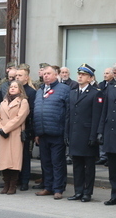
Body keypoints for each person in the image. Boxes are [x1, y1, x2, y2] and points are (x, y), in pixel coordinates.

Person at [65, 64, 103, 202]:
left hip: (87, 135)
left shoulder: (95, 93)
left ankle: (87, 192)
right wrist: (67, 134)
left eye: (84, 75)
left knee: (88, 168)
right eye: (79, 74)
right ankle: (78, 191)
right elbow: (69, 116)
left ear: (90, 78)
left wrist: (94, 136)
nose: (80, 77)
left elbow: (96, 117)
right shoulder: (73, 92)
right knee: (77, 167)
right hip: (75, 135)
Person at [34, 66, 70, 200]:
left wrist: (66, 132)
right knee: (46, 162)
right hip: (43, 133)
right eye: (44, 74)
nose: (46, 76)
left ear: (56, 75)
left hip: (57, 132)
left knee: (57, 162)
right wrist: (37, 132)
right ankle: (48, 187)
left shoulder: (64, 89)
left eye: (48, 73)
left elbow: (68, 112)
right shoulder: (40, 90)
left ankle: (58, 188)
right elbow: (36, 111)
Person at [0, 81, 29, 195]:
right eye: (11, 87)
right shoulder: (3, 102)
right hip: (3, 135)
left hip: (14, 134)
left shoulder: (23, 102)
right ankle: (6, 184)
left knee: (14, 160)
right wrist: (0, 128)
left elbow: (20, 118)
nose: (13, 88)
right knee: (4, 160)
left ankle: (13, 185)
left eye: (15, 87)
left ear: (20, 89)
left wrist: (5, 129)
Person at [15, 66, 36, 191]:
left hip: (25, 128)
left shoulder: (31, 92)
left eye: (20, 75)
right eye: (16, 75)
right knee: (14, 155)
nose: (17, 77)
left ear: (26, 78)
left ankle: (24, 181)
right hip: (12, 129)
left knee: (24, 156)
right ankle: (14, 179)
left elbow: (32, 112)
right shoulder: (12, 90)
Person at [98, 70, 116, 205]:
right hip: (111, 133)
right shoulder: (110, 87)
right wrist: (100, 131)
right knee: (113, 169)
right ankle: (114, 195)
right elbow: (104, 110)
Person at [96, 68, 115, 165]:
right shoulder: (106, 86)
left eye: (107, 73)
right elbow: (104, 109)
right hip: (109, 126)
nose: (105, 75)